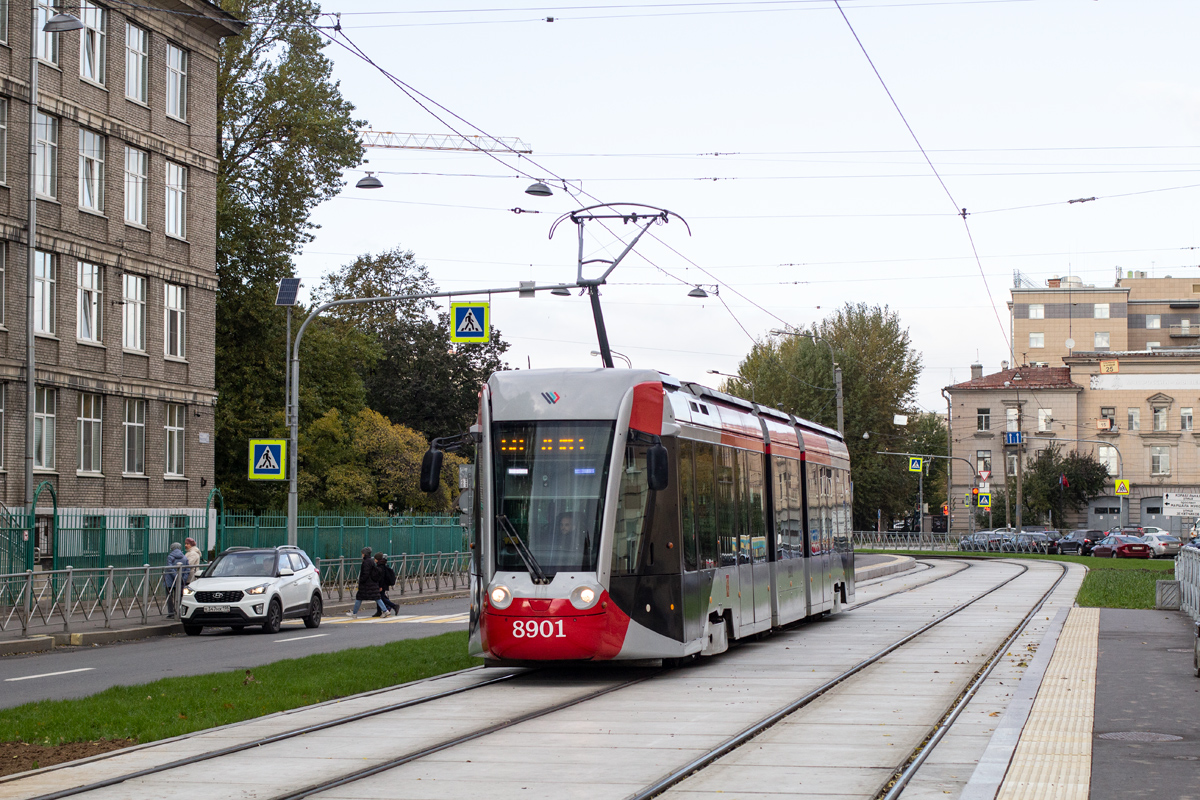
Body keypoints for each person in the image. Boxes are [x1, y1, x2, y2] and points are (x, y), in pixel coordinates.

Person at [347, 546, 389, 617]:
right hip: (372, 583)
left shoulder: (366, 562)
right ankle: (385, 611)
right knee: (376, 597)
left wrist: (361, 580)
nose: (362, 555)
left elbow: (366, 573)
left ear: (365, 554)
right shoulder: (370, 561)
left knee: (359, 597)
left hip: (367, 584)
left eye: (362, 553)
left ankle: (354, 613)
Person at [165, 543, 186, 618]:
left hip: (169, 580)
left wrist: (176, 576)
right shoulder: (184, 557)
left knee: (169, 597)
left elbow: (169, 567)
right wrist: (182, 578)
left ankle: (171, 613)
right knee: (180, 596)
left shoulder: (170, 557)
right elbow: (188, 569)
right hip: (180, 580)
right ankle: (180, 612)